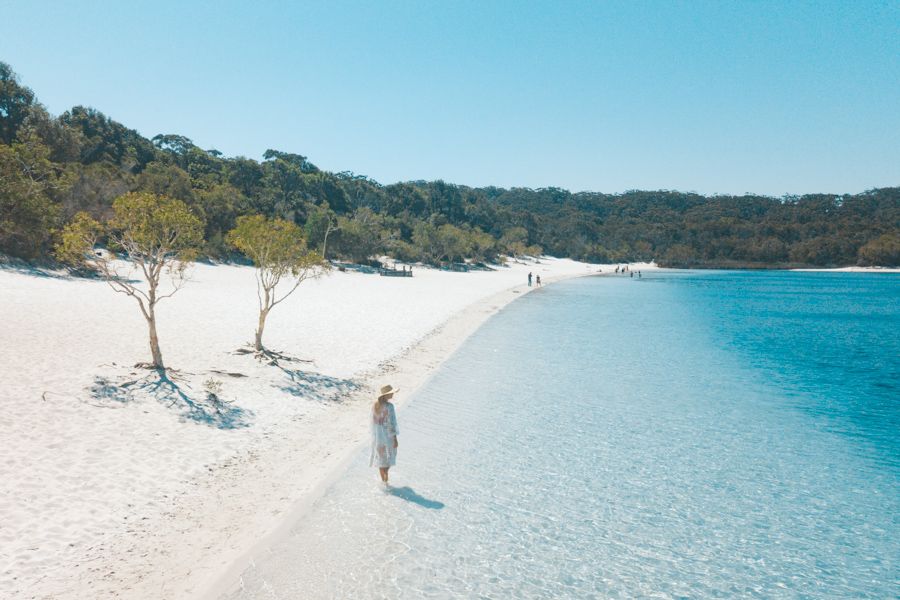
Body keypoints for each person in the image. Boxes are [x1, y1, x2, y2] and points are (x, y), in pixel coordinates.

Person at [370, 384, 400, 486]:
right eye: (391, 393)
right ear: (386, 395)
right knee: (388, 460)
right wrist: (395, 439)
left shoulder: (375, 405)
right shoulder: (390, 406)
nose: (392, 394)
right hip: (388, 437)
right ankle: (386, 481)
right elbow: (392, 423)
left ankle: (384, 482)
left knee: (381, 460)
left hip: (378, 437)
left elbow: (374, 423)